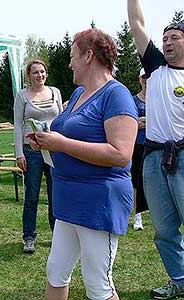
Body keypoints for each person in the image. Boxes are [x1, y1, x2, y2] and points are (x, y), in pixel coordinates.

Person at [26, 29, 138, 300]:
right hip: (68, 200)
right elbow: (67, 134)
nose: (69, 63)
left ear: (88, 56)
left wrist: (61, 144)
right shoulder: (77, 95)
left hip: (98, 201)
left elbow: (120, 153)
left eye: (72, 56)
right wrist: (45, 140)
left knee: (98, 283)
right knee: (56, 270)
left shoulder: (116, 95)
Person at [128, 1, 184, 299]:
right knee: (164, 229)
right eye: (164, 38)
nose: (167, 41)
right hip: (153, 158)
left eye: (175, 37)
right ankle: (179, 279)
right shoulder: (156, 67)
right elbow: (137, 23)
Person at [13, 59, 63, 253]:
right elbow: (17, 125)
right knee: (31, 196)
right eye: (35, 72)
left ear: (46, 74)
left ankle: (57, 236)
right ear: (29, 76)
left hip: (54, 149)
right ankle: (29, 236)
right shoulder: (22, 96)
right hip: (32, 151)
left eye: (42, 72)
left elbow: (62, 118)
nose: (39, 75)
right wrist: (19, 154)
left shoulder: (55, 92)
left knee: (55, 195)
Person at [131, 68, 148, 231]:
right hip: (137, 144)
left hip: (154, 144)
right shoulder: (133, 100)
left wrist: (143, 120)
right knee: (136, 180)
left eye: (148, 76)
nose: (146, 80)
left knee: (154, 180)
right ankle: (138, 215)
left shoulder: (158, 98)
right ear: (139, 79)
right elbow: (133, 123)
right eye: (143, 77)